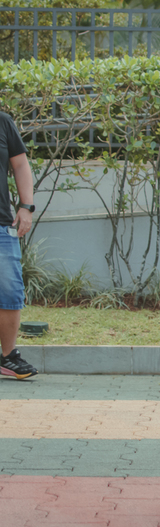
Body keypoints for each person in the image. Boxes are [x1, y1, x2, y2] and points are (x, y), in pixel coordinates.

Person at [0, 111, 38, 380]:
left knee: (10, 290)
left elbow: (21, 164)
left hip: (1, 224)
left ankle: (8, 356)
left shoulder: (2, 122)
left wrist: (26, 206)